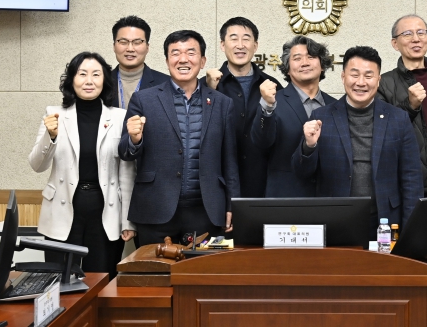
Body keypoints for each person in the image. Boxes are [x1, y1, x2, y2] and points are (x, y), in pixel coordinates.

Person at [118, 30, 240, 246]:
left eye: (191, 53)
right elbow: (125, 153)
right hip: (155, 210)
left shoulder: (222, 103)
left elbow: (230, 160)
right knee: (153, 268)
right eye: (175, 53)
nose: (183, 59)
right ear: (167, 61)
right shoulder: (144, 99)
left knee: (203, 268)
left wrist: (232, 204)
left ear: (202, 61)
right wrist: (134, 139)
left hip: (206, 211)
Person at [292, 46, 423, 232]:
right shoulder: (321, 117)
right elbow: (302, 173)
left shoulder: (398, 118)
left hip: (384, 219)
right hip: (336, 218)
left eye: (368, 76)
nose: (361, 82)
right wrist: (309, 146)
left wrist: (409, 230)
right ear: (343, 77)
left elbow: (411, 178)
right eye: (354, 75)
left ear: (378, 80)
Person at [28, 52, 135, 276]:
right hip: (62, 210)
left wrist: (128, 221)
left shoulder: (119, 117)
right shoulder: (54, 114)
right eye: (82, 74)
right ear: (71, 80)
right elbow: (37, 165)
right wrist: (50, 136)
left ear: (105, 80)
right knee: (61, 282)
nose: (89, 81)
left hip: (106, 211)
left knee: (102, 281)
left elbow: (126, 172)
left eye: (96, 74)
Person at [378, 15, 427, 196]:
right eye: (407, 34)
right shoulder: (384, 83)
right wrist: (410, 106)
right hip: (409, 178)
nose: (416, 39)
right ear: (395, 43)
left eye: (421, 32)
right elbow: (383, 131)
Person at [202, 17, 282, 197]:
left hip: (261, 184)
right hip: (217, 184)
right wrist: (209, 91)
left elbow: (278, 135)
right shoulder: (205, 86)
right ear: (222, 45)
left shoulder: (272, 85)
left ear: (255, 46)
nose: (240, 45)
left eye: (246, 39)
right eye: (233, 39)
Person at [251, 35, 336, 197]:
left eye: (311, 57)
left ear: (322, 65)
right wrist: (267, 106)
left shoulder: (335, 105)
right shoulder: (273, 101)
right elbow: (261, 142)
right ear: (287, 69)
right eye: (297, 58)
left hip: (327, 197)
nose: (305, 63)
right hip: (285, 197)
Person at [111, 15, 170, 110]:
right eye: (123, 42)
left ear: (147, 47)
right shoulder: (101, 82)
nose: (130, 49)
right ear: (114, 46)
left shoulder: (166, 84)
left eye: (137, 42)